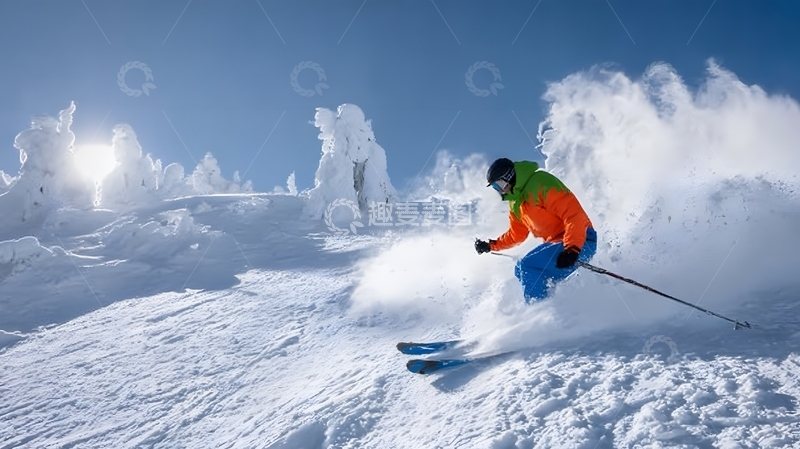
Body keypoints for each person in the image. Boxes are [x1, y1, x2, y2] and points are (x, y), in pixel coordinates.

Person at [475, 158, 597, 303]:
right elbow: (516, 234)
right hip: (559, 244)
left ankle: (540, 312)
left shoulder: (541, 182)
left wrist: (572, 248)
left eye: (499, 185)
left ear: (509, 177)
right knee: (520, 269)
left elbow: (573, 215)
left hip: (580, 240)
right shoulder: (516, 202)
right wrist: (491, 245)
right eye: (495, 187)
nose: (499, 190)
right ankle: (555, 306)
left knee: (528, 266)